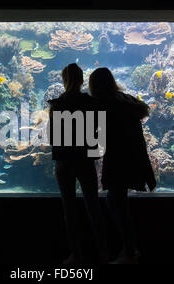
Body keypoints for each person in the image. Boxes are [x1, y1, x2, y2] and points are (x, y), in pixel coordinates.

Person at [89, 67, 156, 264]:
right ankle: (129, 250)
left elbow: (98, 142)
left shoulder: (105, 105)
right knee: (119, 203)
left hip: (118, 160)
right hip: (133, 158)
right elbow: (138, 138)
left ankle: (129, 252)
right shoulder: (126, 101)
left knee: (116, 204)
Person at [48, 63, 108, 264]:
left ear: (64, 81)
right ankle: (102, 252)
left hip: (64, 162)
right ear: (82, 80)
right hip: (85, 161)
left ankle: (76, 254)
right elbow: (100, 134)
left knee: (69, 208)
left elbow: (53, 138)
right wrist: (96, 158)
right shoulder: (91, 103)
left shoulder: (57, 104)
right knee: (93, 206)